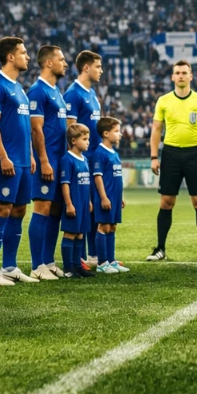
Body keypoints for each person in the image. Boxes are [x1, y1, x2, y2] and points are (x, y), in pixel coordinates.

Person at [147, 60, 197, 262]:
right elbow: (156, 130)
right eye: (177, 73)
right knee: (166, 202)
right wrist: (153, 157)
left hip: (196, 154)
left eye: (184, 73)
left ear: (191, 76)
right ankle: (160, 248)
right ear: (172, 77)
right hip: (170, 155)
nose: (180, 76)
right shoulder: (163, 101)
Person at [0, 37, 39, 285]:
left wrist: (29, 154)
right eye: (23, 52)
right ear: (10, 57)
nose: (27, 57)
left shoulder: (19, 88)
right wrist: (2, 155)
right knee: (1, 209)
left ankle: (9, 265)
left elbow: (24, 127)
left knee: (19, 210)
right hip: (7, 160)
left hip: (22, 161)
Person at [28, 45, 71, 279]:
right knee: (42, 207)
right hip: (47, 158)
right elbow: (36, 129)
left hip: (59, 158)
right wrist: (43, 160)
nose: (65, 63)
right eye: (61, 59)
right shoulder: (38, 91)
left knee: (55, 209)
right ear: (48, 63)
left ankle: (48, 260)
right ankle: (37, 266)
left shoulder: (56, 92)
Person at [64, 50, 104, 267]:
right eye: (98, 67)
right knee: (84, 208)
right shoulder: (73, 94)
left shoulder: (92, 94)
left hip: (93, 159)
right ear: (86, 67)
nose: (101, 71)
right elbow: (70, 130)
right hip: (81, 161)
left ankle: (93, 255)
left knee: (94, 208)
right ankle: (80, 258)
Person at [58, 123, 97, 279]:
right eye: (85, 139)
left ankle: (77, 266)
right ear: (73, 141)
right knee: (70, 233)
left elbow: (86, 183)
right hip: (73, 203)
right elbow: (65, 183)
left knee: (80, 234)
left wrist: (88, 201)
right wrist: (68, 204)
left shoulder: (85, 159)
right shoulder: (67, 159)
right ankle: (68, 269)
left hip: (83, 203)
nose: (88, 142)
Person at [91, 117, 128, 273]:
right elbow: (98, 177)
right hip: (105, 197)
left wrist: (121, 197)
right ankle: (102, 263)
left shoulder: (115, 153)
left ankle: (111, 260)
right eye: (117, 131)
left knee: (112, 227)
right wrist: (104, 197)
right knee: (103, 226)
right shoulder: (99, 153)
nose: (120, 134)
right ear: (106, 133)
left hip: (115, 197)